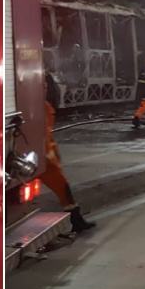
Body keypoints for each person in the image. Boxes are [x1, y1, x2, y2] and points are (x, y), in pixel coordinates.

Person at [40, 72, 94, 233]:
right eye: (43, 86)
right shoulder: (41, 108)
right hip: (42, 158)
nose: (45, 88)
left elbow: (47, 134)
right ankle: (76, 221)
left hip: (44, 157)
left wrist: (54, 151)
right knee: (62, 187)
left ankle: (76, 220)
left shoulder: (44, 107)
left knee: (63, 188)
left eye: (45, 86)